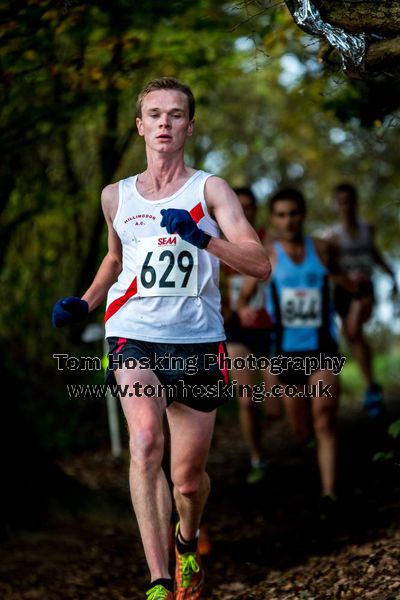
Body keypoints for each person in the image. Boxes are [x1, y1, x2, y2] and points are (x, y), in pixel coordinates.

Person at [52, 77, 270, 600]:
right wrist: (87, 300)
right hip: (133, 336)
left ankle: (187, 541)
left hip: (198, 343)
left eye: (175, 115)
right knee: (146, 441)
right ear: (140, 126)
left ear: (189, 126)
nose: (165, 123)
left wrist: (203, 238)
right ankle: (157, 581)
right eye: (155, 114)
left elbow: (259, 263)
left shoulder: (210, 190)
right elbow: (115, 257)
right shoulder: (116, 196)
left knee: (189, 481)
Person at [238, 188, 354, 518]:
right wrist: (245, 310)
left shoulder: (322, 249)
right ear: (273, 219)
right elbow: (245, 297)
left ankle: (329, 493)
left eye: (294, 213)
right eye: (282, 215)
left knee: (325, 419)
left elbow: (342, 281)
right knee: (302, 427)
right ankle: (311, 453)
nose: (289, 220)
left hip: (322, 347)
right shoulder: (267, 256)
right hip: (286, 353)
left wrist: (355, 285)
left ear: (303, 214)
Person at [325, 183, 399, 418]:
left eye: (349, 200)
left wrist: (391, 275)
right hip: (343, 290)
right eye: (341, 201)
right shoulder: (333, 236)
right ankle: (371, 387)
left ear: (356, 202)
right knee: (353, 335)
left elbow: (374, 253)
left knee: (354, 330)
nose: (345, 205)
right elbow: (330, 267)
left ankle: (370, 386)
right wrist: (344, 277)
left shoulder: (368, 228)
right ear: (337, 205)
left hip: (365, 287)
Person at [222, 187, 279, 484]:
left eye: (249, 206)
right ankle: (257, 457)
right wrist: (227, 309)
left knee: (272, 405)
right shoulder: (218, 243)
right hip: (236, 333)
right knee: (246, 400)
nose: (244, 210)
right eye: (239, 205)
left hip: (268, 328)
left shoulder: (266, 240)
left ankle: (270, 436)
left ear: (256, 210)